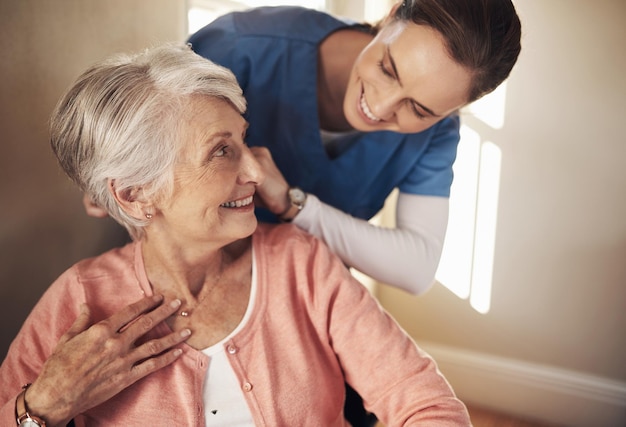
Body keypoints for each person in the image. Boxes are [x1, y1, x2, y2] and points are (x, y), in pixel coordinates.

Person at [0, 44, 471, 426]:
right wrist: (42, 407)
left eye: (243, 138)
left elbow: (427, 404)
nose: (256, 169)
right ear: (136, 195)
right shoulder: (79, 298)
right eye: (221, 152)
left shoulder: (300, 262)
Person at [185, 0, 522, 296]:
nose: (381, 106)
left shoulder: (437, 133)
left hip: (298, 293)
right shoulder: (238, 47)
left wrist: (296, 205)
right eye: (388, 70)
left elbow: (416, 268)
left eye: (418, 109)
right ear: (391, 17)